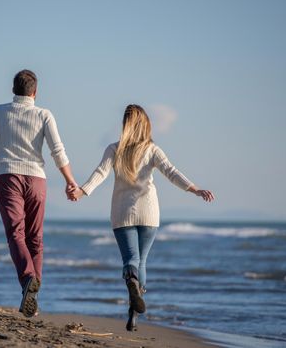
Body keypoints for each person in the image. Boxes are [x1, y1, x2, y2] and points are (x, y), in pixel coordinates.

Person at [68, 104, 214, 331]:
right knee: (142, 261)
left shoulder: (114, 149)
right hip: (149, 213)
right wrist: (194, 189)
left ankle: (132, 284)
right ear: (145, 124)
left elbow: (100, 173)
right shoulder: (152, 149)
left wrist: (82, 191)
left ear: (125, 125)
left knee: (131, 261)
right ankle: (134, 313)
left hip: (122, 212)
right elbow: (171, 171)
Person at [0, 69, 77, 318]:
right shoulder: (44, 114)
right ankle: (33, 291)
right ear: (35, 92)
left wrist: (3, 149)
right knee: (35, 238)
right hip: (36, 180)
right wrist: (70, 181)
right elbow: (58, 151)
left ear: (13, 90)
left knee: (15, 234)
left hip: (7, 177)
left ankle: (28, 279)